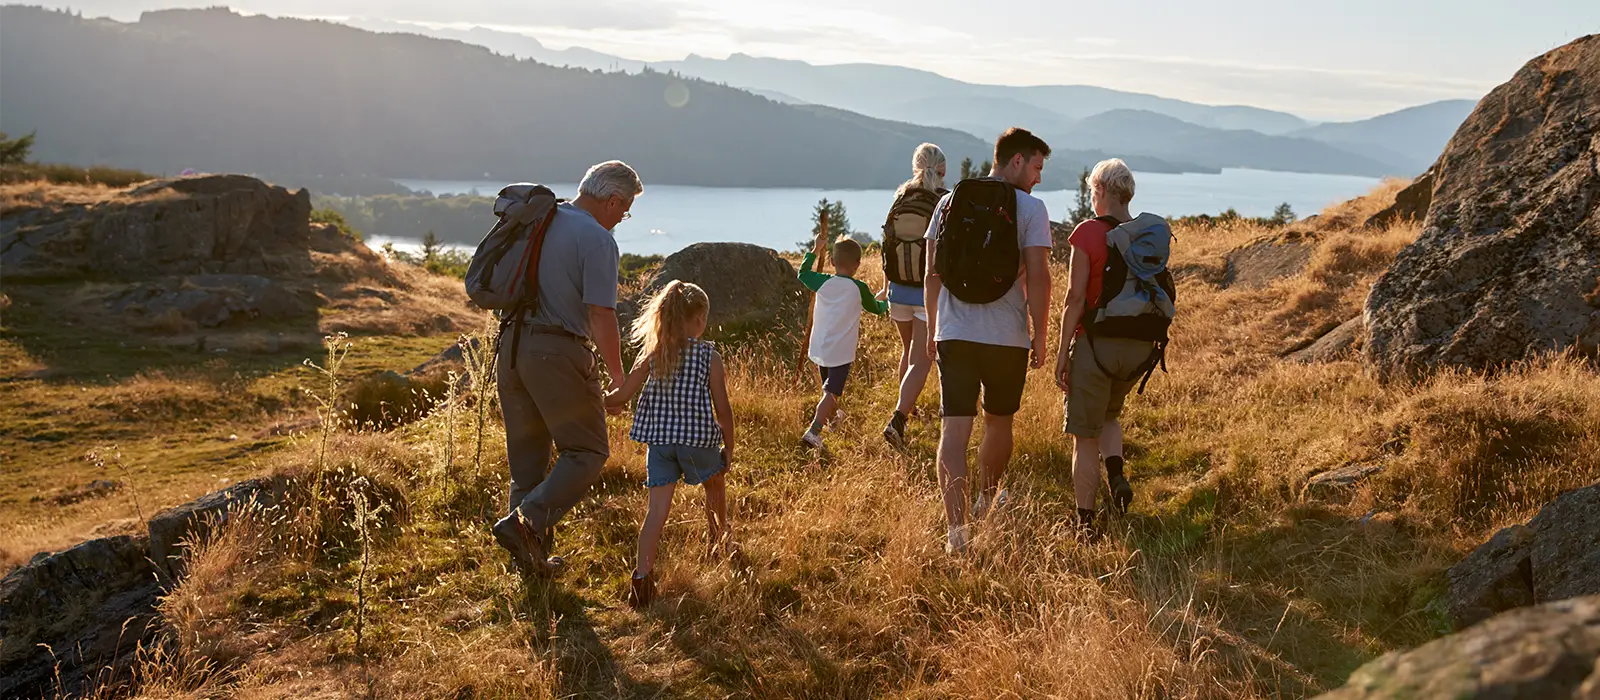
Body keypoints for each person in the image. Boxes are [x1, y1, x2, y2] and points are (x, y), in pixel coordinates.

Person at [492, 160, 640, 578]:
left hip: (511, 348)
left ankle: (531, 566)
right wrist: (617, 372)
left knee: (527, 464)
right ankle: (523, 524)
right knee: (588, 451)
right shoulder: (596, 239)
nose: (622, 219)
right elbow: (601, 314)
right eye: (624, 211)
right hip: (556, 352)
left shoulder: (541, 220)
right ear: (613, 200)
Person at [924, 128, 1053, 554]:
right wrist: (1040, 334)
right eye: (1035, 167)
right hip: (1006, 338)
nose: (1037, 178)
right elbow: (1039, 276)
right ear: (1016, 161)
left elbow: (933, 274)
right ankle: (984, 498)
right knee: (999, 422)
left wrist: (932, 331)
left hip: (955, 334)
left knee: (954, 429)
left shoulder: (948, 201)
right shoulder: (1031, 209)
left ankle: (955, 534)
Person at [605, 281, 734, 608]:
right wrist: (728, 449)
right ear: (699, 319)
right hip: (697, 443)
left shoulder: (653, 355)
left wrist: (599, 397)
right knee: (714, 486)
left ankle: (641, 580)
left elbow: (620, 397)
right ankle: (716, 548)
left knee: (656, 512)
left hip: (660, 444)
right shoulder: (709, 356)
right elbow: (724, 410)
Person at [1053, 158, 1159, 537]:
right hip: (1139, 348)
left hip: (1096, 345)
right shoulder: (1148, 234)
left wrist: (1063, 352)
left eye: (1091, 192)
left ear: (1100, 192)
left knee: (1084, 436)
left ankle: (1085, 523)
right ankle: (1117, 477)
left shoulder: (1087, 234)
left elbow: (1074, 299)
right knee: (1110, 415)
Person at [881, 143, 947, 450]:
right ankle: (898, 418)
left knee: (908, 351)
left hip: (897, 290)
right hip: (924, 290)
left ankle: (907, 406)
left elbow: (886, 245)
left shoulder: (900, 197)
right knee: (922, 359)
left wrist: (886, 285)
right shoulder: (942, 201)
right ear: (941, 170)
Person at [799, 236, 888, 450]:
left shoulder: (823, 281)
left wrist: (815, 249)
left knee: (829, 390)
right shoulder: (860, 288)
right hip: (841, 352)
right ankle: (814, 431)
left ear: (831, 261)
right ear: (857, 265)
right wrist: (884, 300)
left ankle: (833, 419)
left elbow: (802, 273)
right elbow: (876, 309)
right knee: (832, 392)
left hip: (821, 346)